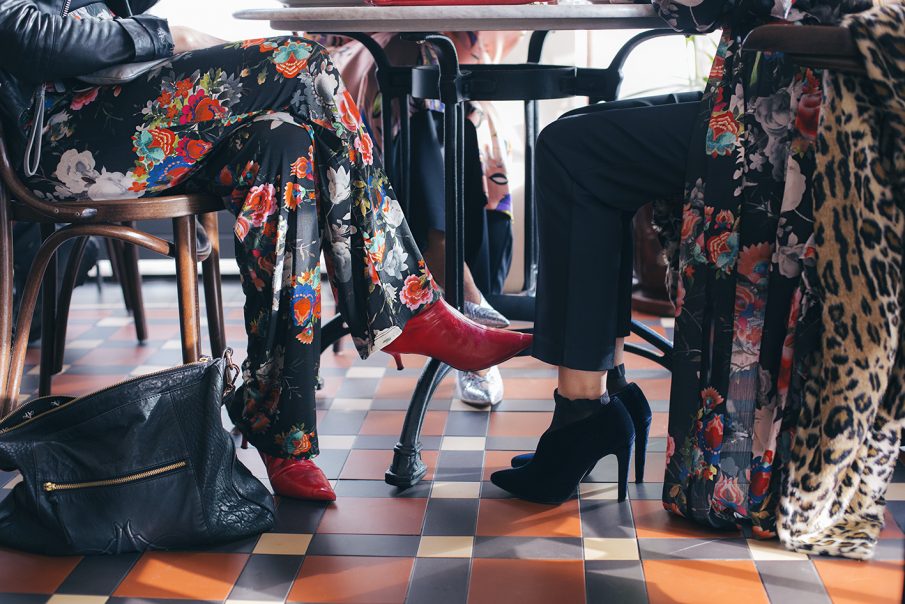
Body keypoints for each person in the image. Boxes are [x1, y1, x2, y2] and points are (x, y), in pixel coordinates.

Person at [0, 0, 531, 502]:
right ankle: (407, 305)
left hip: (118, 107)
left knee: (283, 142)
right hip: (54, 136)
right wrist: (164, 35)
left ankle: (282, 425)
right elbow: (20, 31)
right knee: (300, 60)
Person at [491, 0, 873, 521]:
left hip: (805, 105)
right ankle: (605, 395)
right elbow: (700, 14)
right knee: (575, 136)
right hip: (758, 88)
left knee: (573, 152)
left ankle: (584, 412)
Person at [313, 32, 524, 407]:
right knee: (407, 61)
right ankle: (470, 314)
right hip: (351, 59)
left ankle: (460, 300)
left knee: (430, 73)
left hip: (457, 66)